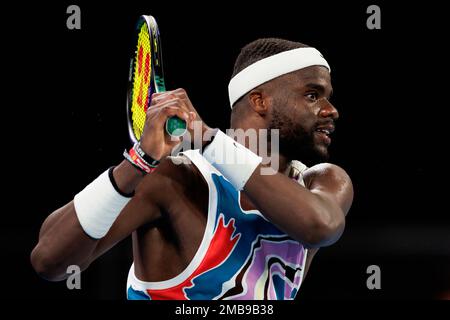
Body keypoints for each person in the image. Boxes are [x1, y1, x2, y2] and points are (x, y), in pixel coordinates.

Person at [31, 38, 353, 300]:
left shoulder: (323, 182)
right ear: (259, 101)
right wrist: (139, 162)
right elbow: (49, 261)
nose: (331, 110)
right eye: (313, 95)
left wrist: (210, 140)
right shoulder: (176, 180)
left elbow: (320, 225)